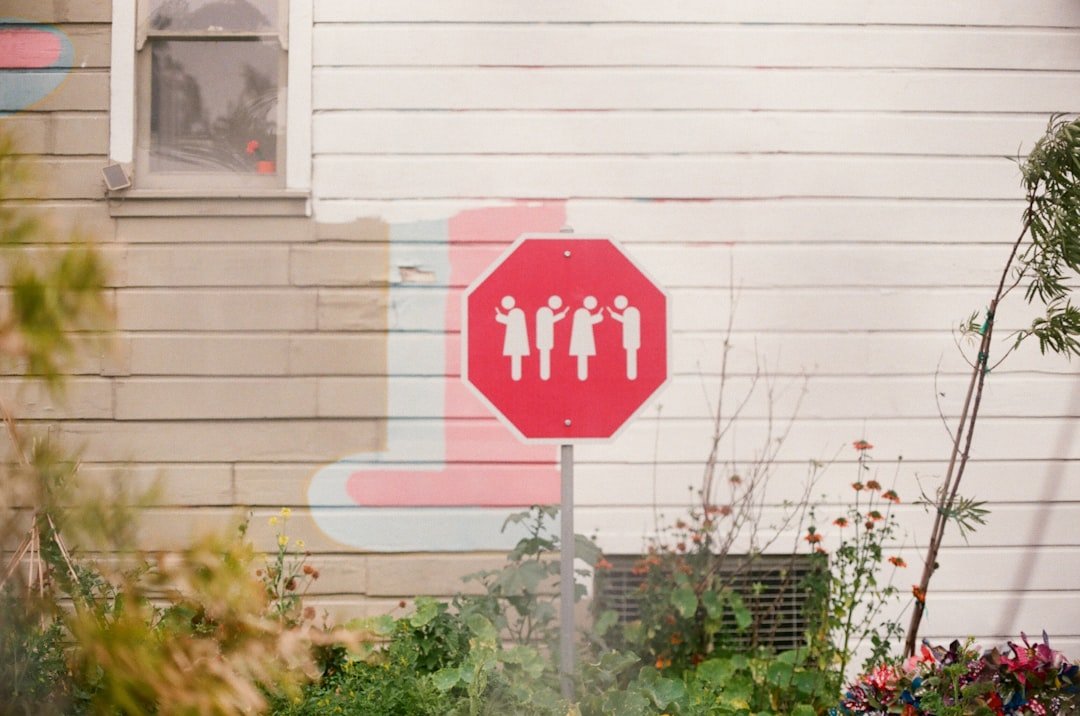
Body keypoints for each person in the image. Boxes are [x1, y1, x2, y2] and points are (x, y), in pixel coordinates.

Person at [569, 295, 604, 381]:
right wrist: (598, 317)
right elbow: (586, 322)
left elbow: (587, 321)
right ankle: (581, 377)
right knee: (582, 357)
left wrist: (597, 317)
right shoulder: (581, 312)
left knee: (583, 357)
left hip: (583, 340)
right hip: (581, 340)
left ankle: (582, 377)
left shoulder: (583, 312)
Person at [495, 295, 529, 380]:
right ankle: (516, 376)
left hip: (517, 340)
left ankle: (517, 376)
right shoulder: (515, 312)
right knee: (515, 357)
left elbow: (511, 322)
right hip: (515, 340)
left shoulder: (516, 312)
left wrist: (500, 317)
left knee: (516, 356)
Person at [607, 294, 641, 380]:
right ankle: (631, 375)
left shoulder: (630, 311)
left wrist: (614, 314)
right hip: (630, 338)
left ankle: (632, 375)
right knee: (630, 354)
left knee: (631, 354)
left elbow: (626, 321)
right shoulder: (631, 310)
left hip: (632, 338)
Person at [535, 295, 568, 380]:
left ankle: (545, 375)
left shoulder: (544, 311)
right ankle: (544, 375)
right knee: (544, 354)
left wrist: (561, 315)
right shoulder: (545, 311)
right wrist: (561, 315)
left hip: (545, 338)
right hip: (544, 338)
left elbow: (549, 320)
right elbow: (549, 320)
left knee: (545, 354)